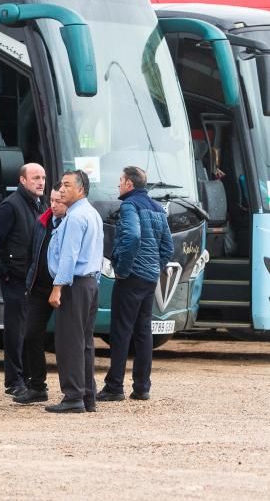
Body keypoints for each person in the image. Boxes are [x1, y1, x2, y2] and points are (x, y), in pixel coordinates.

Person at [99, 166, 174, 403]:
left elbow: (131, 236)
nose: (118, 185)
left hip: (131, 276)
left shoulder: (129, 206)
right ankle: (142, 387)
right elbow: (168, 247)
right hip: (149, 278)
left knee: (121, 331)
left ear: (130, 184)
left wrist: (122, 269)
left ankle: (114, 386)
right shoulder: (157, 208)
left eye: (120, 180)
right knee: (143, 332)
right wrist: (155, 267)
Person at [44, 170, 104, 414]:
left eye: (67, 185)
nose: (61, 190)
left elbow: (69, 256)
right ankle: (88, 395)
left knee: (69, 342)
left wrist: (58, 287)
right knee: (85, 342)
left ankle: (72, 397)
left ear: (81, 189)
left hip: (74, 284)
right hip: (90, 283)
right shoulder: (92, 214)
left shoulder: (75, 217)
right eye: (60, 186)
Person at [0, 163, 46, 398]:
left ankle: (27, 378)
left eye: (43, 177)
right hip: (16, 278)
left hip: (31, 280)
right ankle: (14, 380)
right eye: (35, 178)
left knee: (28, 330)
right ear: (22, 180)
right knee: (15, 331)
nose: (40, 182)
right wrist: (3, 271)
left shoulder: (38, 205)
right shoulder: (11, 206)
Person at [13, 183, 66, 405]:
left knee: (67, 340)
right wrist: (28, 280)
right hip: (38, 287)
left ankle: (77, 388)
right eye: (51, 200)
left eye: (58, 201)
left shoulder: (71, 223)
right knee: (30, 334)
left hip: (64, 289)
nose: (53, 205)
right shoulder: (42, 221)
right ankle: (37, 386)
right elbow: (30, 253)